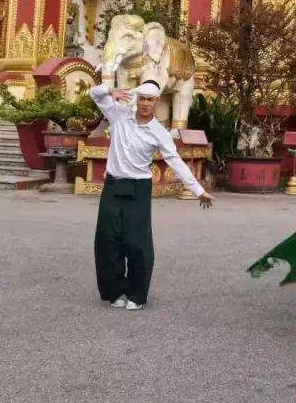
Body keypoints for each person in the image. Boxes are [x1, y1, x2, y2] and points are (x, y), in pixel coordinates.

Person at [89, 80, 215, 311]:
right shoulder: (119, 115)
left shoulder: (159, 132)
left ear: (158, 101)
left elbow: (175, 162)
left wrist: (198, 190)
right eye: (142, 98)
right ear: (137, 99)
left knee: (137, 243)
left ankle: (136, 294)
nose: (145, 103)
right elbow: (94, 94)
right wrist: (110, 90)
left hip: (138, 188)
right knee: (108, 240)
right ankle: (115, 291)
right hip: (113, 186)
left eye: (150, 99)